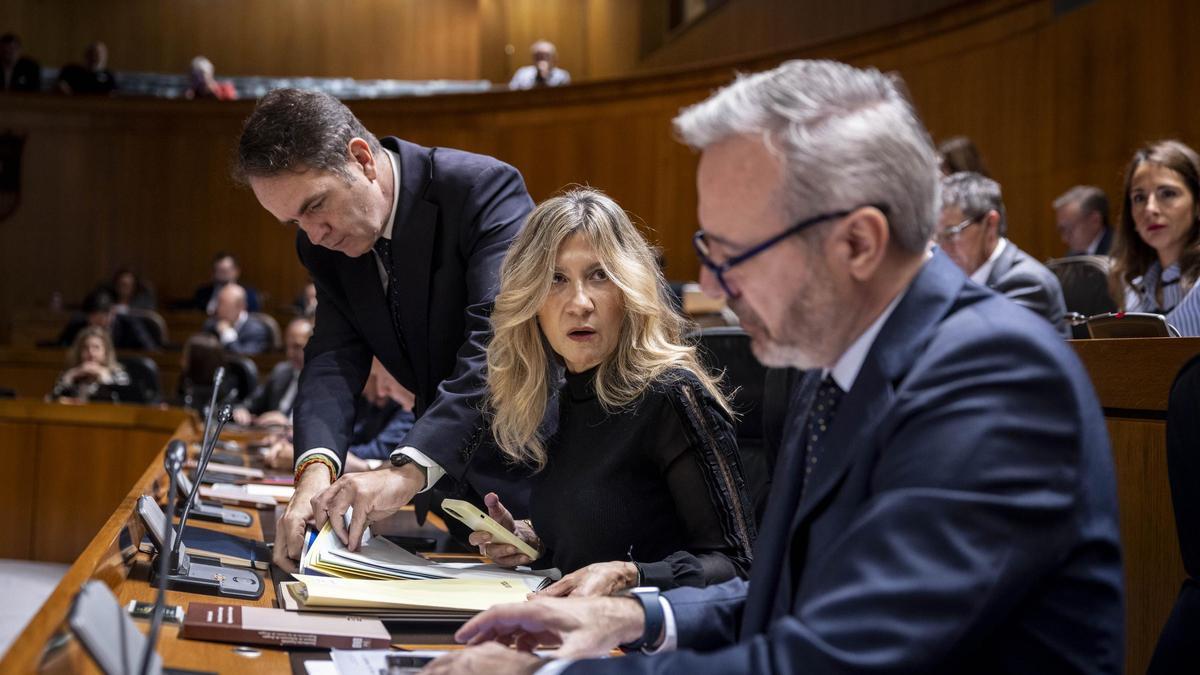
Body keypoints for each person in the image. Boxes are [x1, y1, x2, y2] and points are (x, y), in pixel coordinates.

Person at [426, 59, 1123, 675]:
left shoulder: (993, 379)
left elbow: (836, 655)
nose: (713, 282)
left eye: (735, 250)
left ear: (857, 242)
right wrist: (634, 616)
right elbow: (786, 601)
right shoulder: (830, 365)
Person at [233, 88, 534, 570]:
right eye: (293, 221)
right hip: (454, 503)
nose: (314, 235)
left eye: (314, 206)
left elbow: (499, 346)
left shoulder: (480, 189)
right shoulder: (320, 247)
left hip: (533, 474)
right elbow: (332, 358)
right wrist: (312, 474)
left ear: (362, 159)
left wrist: (407, 470)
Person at [466, 189, 754, 597]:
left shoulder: (674, 395)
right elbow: (606, 533)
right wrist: (534, 542)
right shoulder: (561, 394)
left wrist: (630, 574)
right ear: (530, 300)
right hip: (571, 629)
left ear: (629, 288)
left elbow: (738, 567)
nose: (579, 303)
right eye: (556, 279)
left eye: (599, 275)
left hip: (650, 646)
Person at [936, 171, 1069, 336]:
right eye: (937, 236)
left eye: (951, 233)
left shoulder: (1028, 282)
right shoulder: (953, 278)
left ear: (990, 224)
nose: (942, 247)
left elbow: (979, 347)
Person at [1109, 140, 1200, 336]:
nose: (1150, 209)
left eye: (1167, 193)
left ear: (1197, 203)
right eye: (1139, 198)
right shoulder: (1133, 288)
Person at [262, 358, 417, 473]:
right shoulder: (369, 401)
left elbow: (377, 452)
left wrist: (313, 456)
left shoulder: (407, 404)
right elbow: (346, 436)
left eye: (375, 377)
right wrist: (298, 440)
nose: (380, 390)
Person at [232, 317, 312, 427]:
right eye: (287, 347)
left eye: (297, 347)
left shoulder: (323, 382)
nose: (290, 354)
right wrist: (241, 410)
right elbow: (251, 404)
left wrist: (287, 423)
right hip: (268, 438)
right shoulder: (281, 372)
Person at [49, 326, 133, 403]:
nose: (91, 353)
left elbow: (122, 404)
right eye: (85, 348)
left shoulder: (118, 374)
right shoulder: (70, 373)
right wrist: (68, 378)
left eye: (96, 347)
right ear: (79, 352)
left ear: (106, 352)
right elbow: (50, 402)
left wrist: (105, 378)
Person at [57, 289, 158, 350]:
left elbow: (150, 351)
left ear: (112, 312)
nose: (97, 324)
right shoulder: (78, 325)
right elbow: (59, 348)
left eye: (101, 318)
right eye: (92, 318)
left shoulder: (130, 325)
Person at [201, 283, 271, 355]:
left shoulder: (256, 330)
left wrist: (227, 333)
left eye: (224, 305)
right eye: (219, 304)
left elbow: (244, 359)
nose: (218, 309)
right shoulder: (211, 325)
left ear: (241, 307)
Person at [192, 251, 260, 313]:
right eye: (218, 271)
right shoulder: (202, 293)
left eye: (225, 271)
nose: (222, 275)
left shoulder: (248, 293)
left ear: (236, 271)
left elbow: (253, 316)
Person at [1054, 185, 1112, 256]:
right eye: (1062, 230)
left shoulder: (1120, 252)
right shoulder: (1072, 256)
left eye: (1069, 229)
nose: (1064, 239)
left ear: (1095, 220)